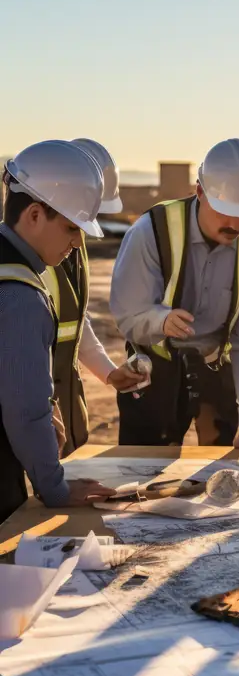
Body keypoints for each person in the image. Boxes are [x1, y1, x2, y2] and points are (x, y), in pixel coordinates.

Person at [110, 138, 239, 449]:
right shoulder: (151, 231)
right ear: (200, 192)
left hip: (215, 368)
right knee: (141, 471)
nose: (236, 224)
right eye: (226, 211)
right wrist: (160, 321)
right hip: (155, 372)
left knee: (223, 473)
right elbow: (127, 314)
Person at [0, 140, 118, 523]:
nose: (78, 242)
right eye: (71, 227)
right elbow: (25, 412)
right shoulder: (21, 296)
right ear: (35, 214)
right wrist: (56, 488)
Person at [43, 138, 147, 457]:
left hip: (65, 409)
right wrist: (33, 411)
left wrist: (108, 372)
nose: (83, 231)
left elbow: (73, 319)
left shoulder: (73, 246)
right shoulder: (15, 260)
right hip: (33, 417)